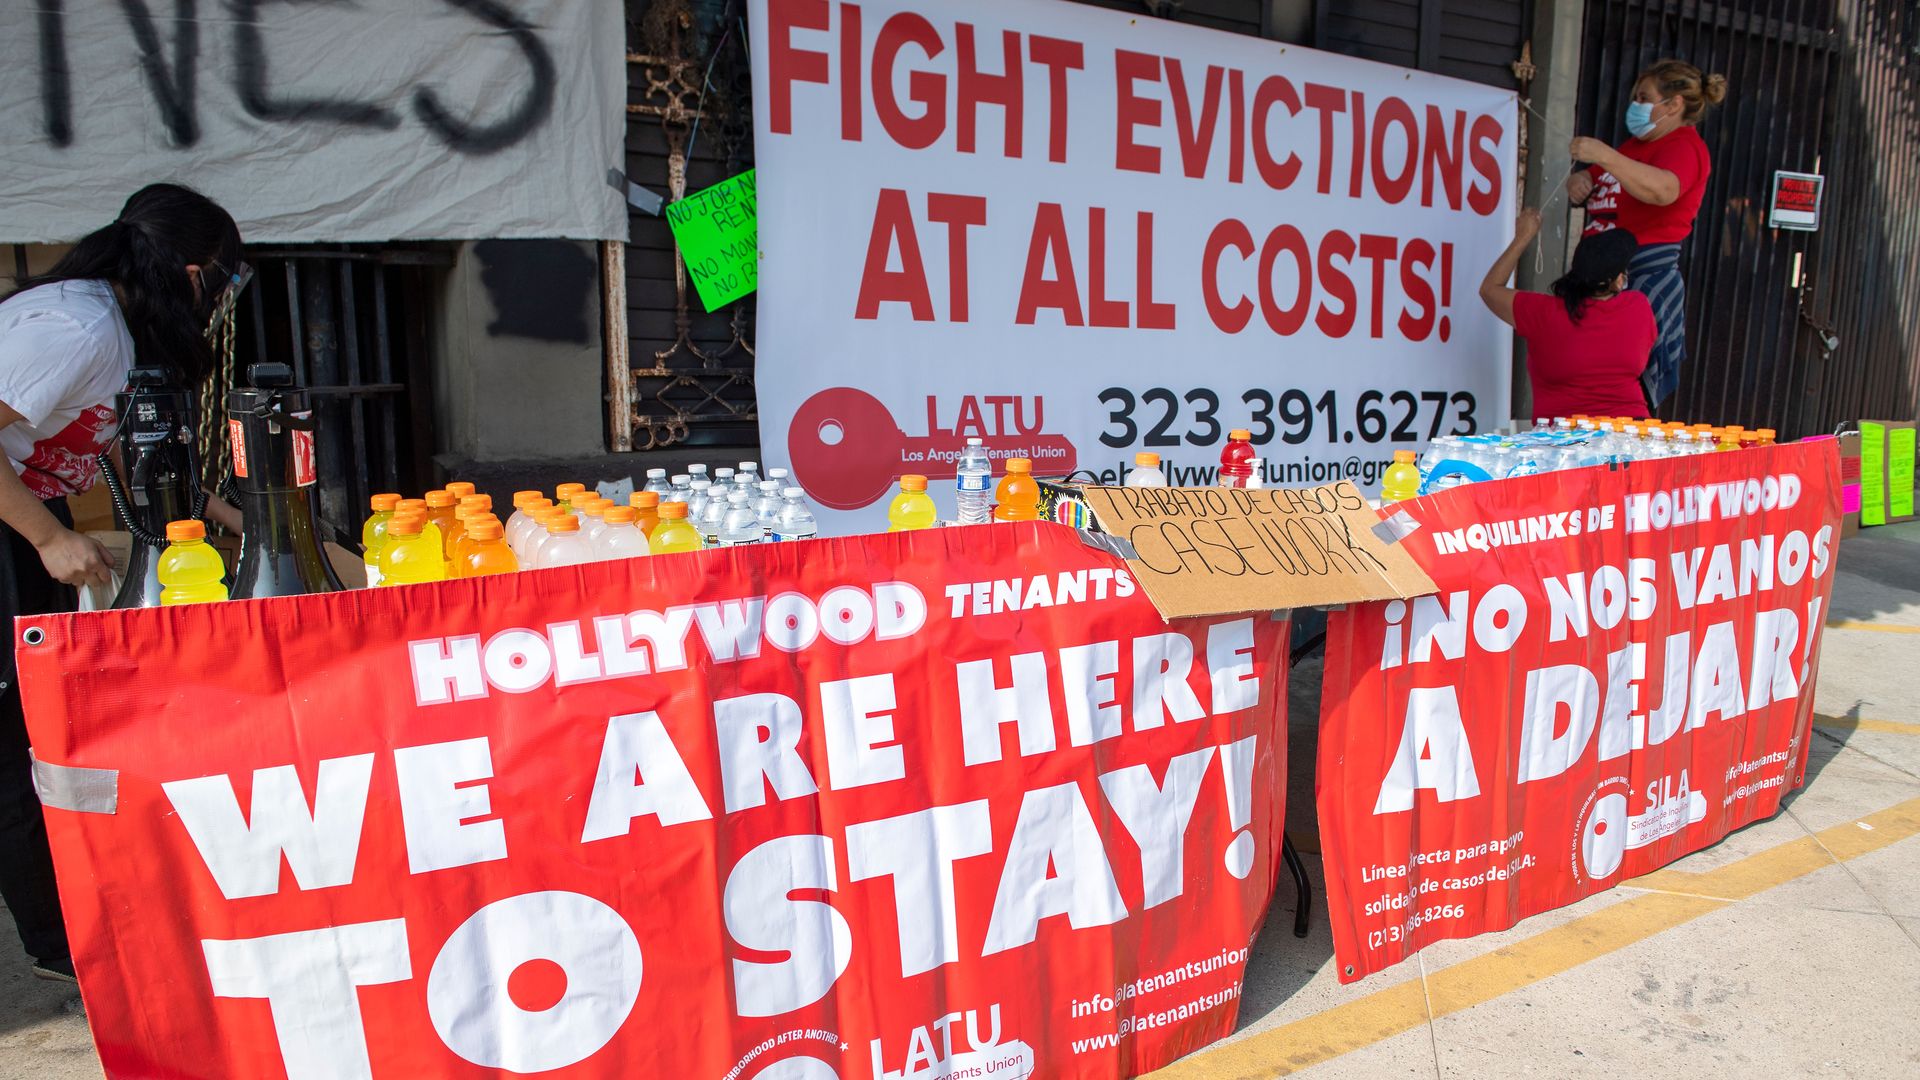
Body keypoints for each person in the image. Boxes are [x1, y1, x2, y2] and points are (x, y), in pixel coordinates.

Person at [0, 183, 246, 982]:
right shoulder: (73, 328)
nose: (221, 300)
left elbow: (135, 459)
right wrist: (47, 538)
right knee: (14, 745)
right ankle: (59, 948)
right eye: (223, 281)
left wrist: (248, 523)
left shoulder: (112, 329)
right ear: (191, 272)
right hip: (14, 523)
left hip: (24, 514)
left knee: (44, 728)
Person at [1566, 59, 1726, 408]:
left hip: (1639, 278)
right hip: (1596, 279)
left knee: (1617, 389)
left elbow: (1662, 190)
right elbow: (1593, 177)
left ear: (1673, 105)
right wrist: (1582, 178)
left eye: (1643, 97)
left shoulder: (1684, 146)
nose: (1634, 106)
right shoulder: (1634, 147)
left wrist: (1604, 155)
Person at [1480, 209, 1656, 421]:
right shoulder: (1638, 307)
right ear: (1618, 281)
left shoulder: (1543, 313)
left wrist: (1523, 236)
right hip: (1630, 433)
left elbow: (1489, 289)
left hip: (1561, 441)